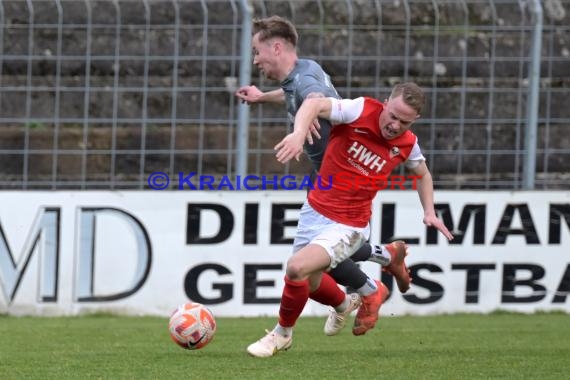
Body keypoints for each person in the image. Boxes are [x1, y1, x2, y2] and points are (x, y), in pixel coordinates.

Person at [246, 82, 454, 357]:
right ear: (385, 102)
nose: (394, 125)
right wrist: (298, 133)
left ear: (415, 120)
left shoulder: (408, 144)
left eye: (403, 121)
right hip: (315, 211)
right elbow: (314, 104)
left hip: (350, 225)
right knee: (308, 283)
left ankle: (281, 334)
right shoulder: (359, 110)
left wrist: (429, 211)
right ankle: (346, 302)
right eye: (392, 115)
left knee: (296, 268)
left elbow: (423, 174)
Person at [235, 15, 409, 338]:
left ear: (276, 47)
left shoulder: (306, 81)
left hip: (343, 180)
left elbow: (312, 100)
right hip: (329, 177)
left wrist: (299, 133)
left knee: (317, 259)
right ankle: (387, 257)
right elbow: (294, 95)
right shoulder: (301, 73)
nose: (255, 59)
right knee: (324, 254)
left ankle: (369, 289)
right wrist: (262, 96)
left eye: (257, 51)